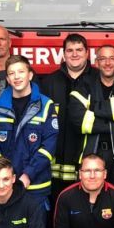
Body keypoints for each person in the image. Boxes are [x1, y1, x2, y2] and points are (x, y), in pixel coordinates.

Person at [68, 44, 114, 198]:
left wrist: (94, 107)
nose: (108, 63)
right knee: (89, 200)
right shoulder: (84, 85)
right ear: (96, 63)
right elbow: (78, 120)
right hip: (92, 155)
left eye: (112, 59)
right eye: (103, 59)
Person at [0, 55, 59, 208]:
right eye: (12, 73)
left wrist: (28, 175)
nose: (17, 77)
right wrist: (1, 177)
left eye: (21, 72)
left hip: (35, 188)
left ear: (30, 75)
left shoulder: (46, 105)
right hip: (4, 188)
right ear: (7, 78)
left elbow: (49, 146)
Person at [41, 33, 91, 193]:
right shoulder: (49, 82)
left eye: (79, 50)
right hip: (57, 161)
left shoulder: (97, 79)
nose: (74, 54)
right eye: (70, 50)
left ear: (87, 53)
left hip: (90, 159)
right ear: (63, 54)